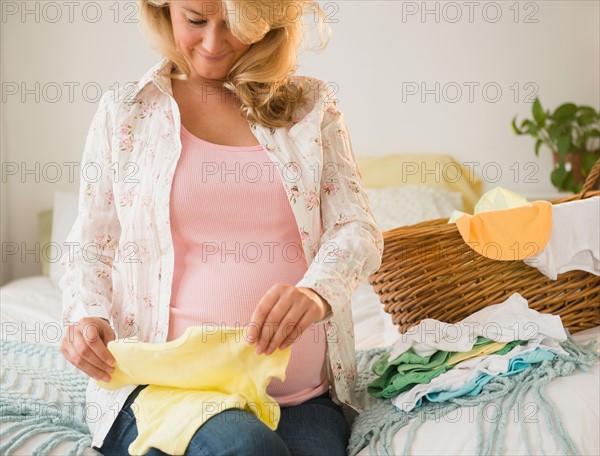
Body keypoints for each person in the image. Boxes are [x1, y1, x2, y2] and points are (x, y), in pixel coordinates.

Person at [59, 0, 383, 454]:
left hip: (298, 398)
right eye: (195, 20)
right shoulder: (127, 112)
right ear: (163, 9)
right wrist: (84, 316)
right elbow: (91, 246)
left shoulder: (311, 107)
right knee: (245, 447)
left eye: (234, 25)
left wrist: (316, 292)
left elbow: (356, 227)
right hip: (168, 391)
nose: (213, 44)